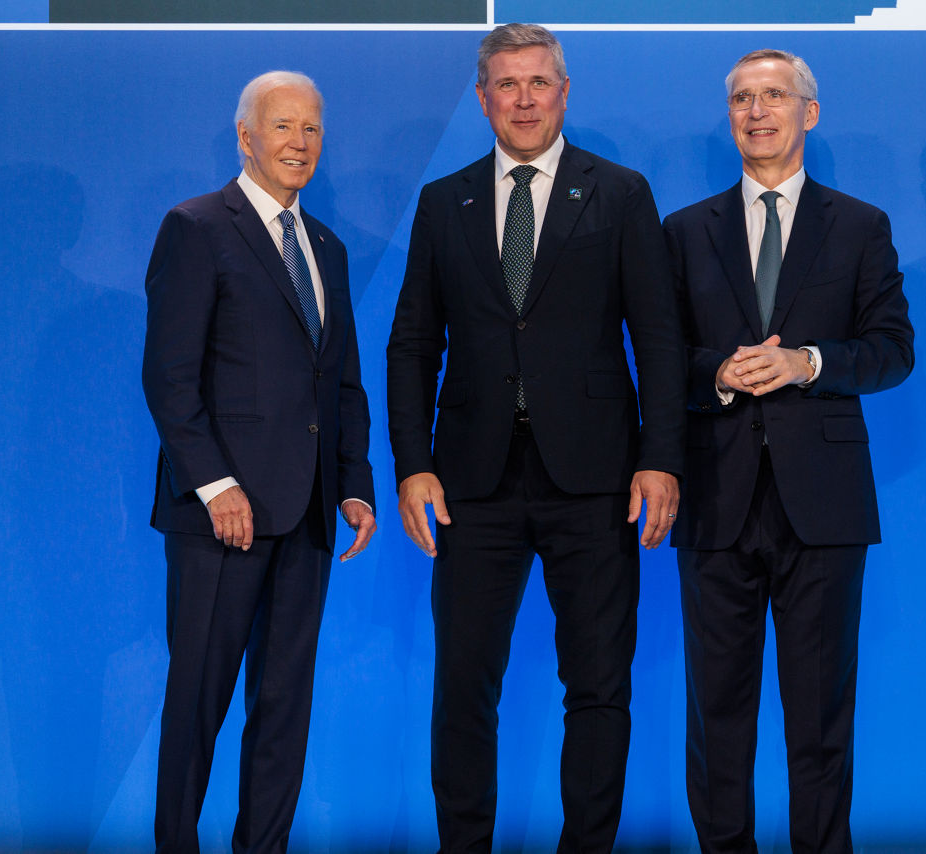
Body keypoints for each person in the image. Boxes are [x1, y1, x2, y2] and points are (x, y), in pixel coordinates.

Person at [386, 23, 686, 854]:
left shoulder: (619, 192)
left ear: (564, 91)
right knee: (463, 689)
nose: (524, 100)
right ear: (483, 98)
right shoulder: (444, 201)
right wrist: (412, 465)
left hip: (596, 480)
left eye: (539, 82)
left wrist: (661, 457)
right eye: (507, 85)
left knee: (598, 687)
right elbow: (413, 342)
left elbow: (658, 338)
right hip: (471, 483)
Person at [663, 50, 914, 854]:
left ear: (809, 112)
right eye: (743, 98)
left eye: (774, 95)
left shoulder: (861, 226)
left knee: (819, 718)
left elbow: (892, 351)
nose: (756, 111)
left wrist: (808, 362)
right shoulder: (683, 231)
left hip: (824, 506)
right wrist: (718, 374)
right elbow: (658, 361)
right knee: (716, 717)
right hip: (716, 499)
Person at [142, 70, 376, 854]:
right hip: (221, 520)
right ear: (246, 137)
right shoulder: (197, 226)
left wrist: (354, 484)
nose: (299, 143)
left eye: (311, 128)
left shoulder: (328, 248)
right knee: (198, 704)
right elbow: (169, 377)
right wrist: (216, 486)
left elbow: (341, 380)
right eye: (283, 126)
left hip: (307, 515)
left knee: (283, 708)